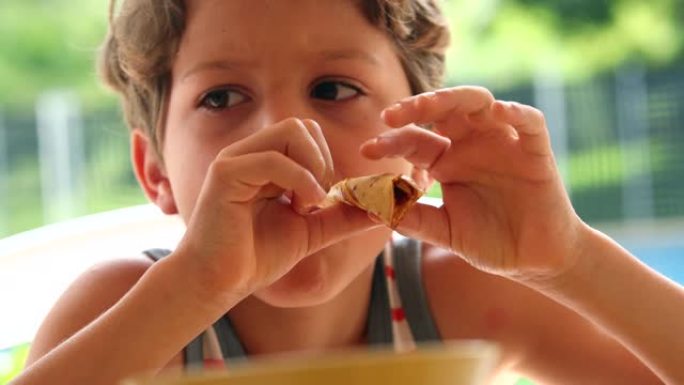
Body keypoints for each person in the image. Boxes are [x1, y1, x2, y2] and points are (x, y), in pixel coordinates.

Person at [11, 1, 684, 384]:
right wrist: (196, 285)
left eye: (334, 88)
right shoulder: (128, 313)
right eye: (222, 97)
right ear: (155, 171)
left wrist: (568, 259)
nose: (288, 136)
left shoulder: (461, 299)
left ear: (425, 142)